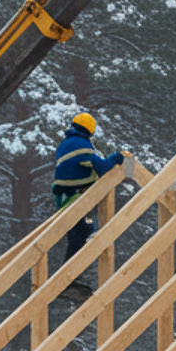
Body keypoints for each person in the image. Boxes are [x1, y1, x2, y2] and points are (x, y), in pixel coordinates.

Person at [51, 111, 124, 292]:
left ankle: (68, 280)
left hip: (63, 197)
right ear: (90, 131)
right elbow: (102, 168)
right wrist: (117, 157)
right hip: (75, 196)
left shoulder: (65, 144)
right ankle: (67, 281)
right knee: (82, 233)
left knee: (76, 235)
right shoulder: (83, 145)